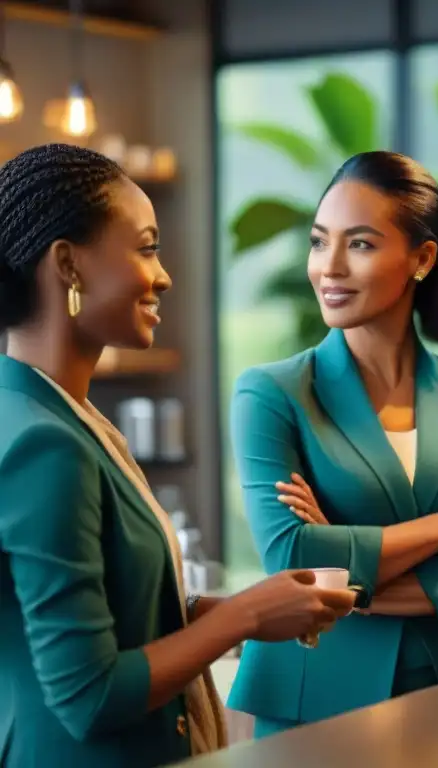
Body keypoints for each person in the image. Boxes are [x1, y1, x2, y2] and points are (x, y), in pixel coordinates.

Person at [0, 144, 358, 767]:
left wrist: (231, 608)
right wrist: (242, 617)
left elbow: (95, 617)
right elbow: (89, 695)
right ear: (68, 265)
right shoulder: (46, 443)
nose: (163, 275)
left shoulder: (52, 416)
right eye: (145, 248)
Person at [227, 150, 438, 737]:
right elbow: (291, 557)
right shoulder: (271, 393)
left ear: (422, 259)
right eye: (320, 242)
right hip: (313, 703)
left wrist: (352, 582)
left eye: (361, 244)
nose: (329, 267)